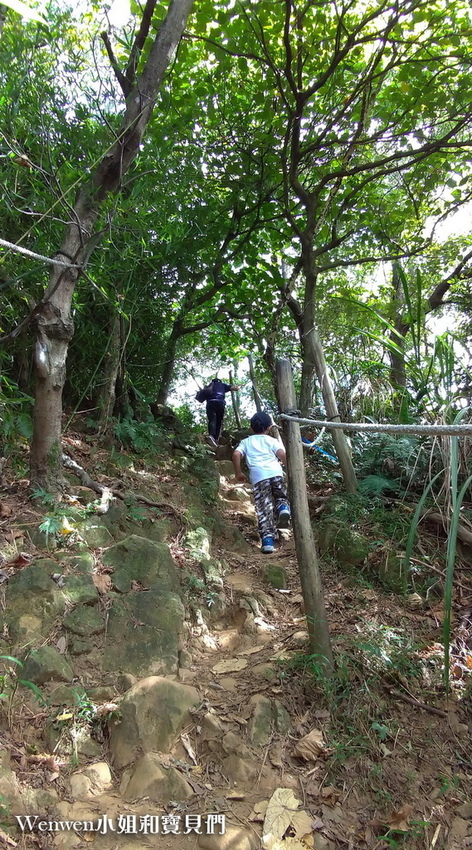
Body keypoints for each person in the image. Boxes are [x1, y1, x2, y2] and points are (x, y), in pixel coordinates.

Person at [232, 411, 291, 553]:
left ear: (251, 428)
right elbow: (282, 454)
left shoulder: (246, 441)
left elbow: (235, 454)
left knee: (264, 509)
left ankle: (268, 541)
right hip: (275, 472)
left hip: (259, 477)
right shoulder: (272, 441)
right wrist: (289, 469)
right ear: (269, 428)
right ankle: (283, 508)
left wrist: (239, 473)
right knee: (280, 496)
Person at [206, 377, 239, 447]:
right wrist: (238, 386)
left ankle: (211, 436)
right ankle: (216, 439)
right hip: (220, 403)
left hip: (210, 403)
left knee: (212, 419)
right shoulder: (223, 385)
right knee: (219, 421)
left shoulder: (209, 386)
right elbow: (235, 388)